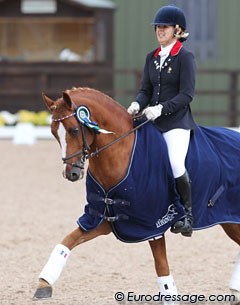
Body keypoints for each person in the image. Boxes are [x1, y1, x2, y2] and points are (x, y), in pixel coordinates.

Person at [127, 5, 197, 237]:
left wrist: (161, 108)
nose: (159, 30)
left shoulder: (185, 57)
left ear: (178, 30)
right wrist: (137, 103)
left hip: (177, 122)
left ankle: (186, 217)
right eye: (158, 27)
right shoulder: (152, 57)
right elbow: (145, 89)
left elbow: (187, 95)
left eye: (164, 27)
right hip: (152, 121)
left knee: (175, 163)